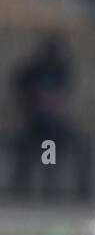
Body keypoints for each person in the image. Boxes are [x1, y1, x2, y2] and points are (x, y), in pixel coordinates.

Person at [10, 35, 72, 199]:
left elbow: (62, 95)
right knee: (27, 153)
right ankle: (23, 188)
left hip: (51, 123)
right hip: (33, 119)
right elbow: (20, 86)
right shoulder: (34, 69)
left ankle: (47, 187)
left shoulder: (60, 70)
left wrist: (53, 105)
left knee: (49, 151)